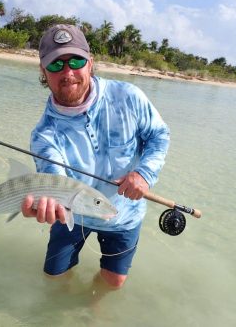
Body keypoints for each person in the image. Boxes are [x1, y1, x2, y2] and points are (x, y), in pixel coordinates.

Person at [21, 24, 170, 289]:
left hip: (125, 215)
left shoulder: (128, 97)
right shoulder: (44, 135)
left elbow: (159, 135)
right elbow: (56, 182)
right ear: (43, 72)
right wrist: (50, 206)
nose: (68, 73)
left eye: (75, 61)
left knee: (114, 282)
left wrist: (144, 174)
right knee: (54, 276)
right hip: (72, 217)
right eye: (56, 65)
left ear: (90, 63)